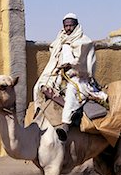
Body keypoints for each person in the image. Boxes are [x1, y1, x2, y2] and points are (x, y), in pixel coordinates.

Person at [33, 13, 107, 141]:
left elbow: (85, 65)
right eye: (65, 26)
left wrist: (72, 66)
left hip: (79, 77)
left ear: (76, 25)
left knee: (72, 90)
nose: (68, 28)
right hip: (60, 74)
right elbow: (55, 55)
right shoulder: (61, 40)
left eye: (70, 25)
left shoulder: (85, 41)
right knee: (41, 87)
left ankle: (66, 123)